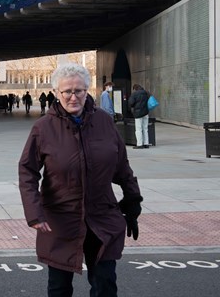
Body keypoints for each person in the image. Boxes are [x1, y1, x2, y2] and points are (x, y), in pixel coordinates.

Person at [19, 63, 143, 297]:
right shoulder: (43, 128)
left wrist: (133, 200)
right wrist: (34, 213)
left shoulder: (105, 123)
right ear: (57, 92)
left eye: (79, 90)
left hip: (101, 217)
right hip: (61, 218)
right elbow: (27, 171)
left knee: (105, 283)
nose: (73, 96)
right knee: (59, 287)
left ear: (87, 91)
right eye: (67, 91)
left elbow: (122, 167)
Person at [128, 84, 150, 149]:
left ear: (135, 89)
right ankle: (146, 143)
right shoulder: (146, 93)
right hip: (146, 113)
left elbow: (131, 103)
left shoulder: (134, 94)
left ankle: (139, 144)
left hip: (138, 114)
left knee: (138, 129)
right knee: (145, 129)